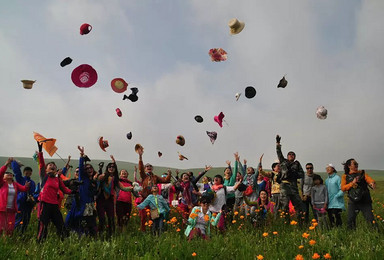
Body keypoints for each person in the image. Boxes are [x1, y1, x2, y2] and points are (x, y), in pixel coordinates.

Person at [36, 142, 75, 242]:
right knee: (43, 224)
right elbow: (41, 164)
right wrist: (40, 152)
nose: (52, 166)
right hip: (44, 204)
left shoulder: (57, 179)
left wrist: (73, 191)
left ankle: (64, 242)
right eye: (50, 165)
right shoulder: (44, 176)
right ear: (46, 168)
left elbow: (65, 190)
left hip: (54, 205)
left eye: (54, 165)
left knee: (60, 224)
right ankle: (40, 243)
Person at [96, 155, 133, 237]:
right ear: (107, 168)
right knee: (102, 218)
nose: (111, 168)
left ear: (115, 169)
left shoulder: (115, 179)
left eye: (113, 167)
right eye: (109, 166)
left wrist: (132, 188)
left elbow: (124, 188)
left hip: (110, 200)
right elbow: (96, 180)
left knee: (111, 218)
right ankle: (100, 234)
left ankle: (110, 235)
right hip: (101, 199)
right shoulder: (103, 176)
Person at [137, 146, 172, 231]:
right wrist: (140, 157)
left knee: (153, 216)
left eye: (150, 166)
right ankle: (143, 232)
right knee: (143, 216)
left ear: (152, 168)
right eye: (147, 167)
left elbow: (166, 180)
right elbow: (140, 169)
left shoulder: (155, 177)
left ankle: (153, 232)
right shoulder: (144, 176)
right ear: (145, 169)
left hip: (153, 199)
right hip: (144, 198)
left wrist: (169, 174)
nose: (149, 167)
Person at [275, 135, 305, 222]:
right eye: (290, 154)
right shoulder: (283, 162)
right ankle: (286, 223)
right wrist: (278, 143)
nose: (291, 156)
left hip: (293, 185)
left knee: (298, 205)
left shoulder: (297, 164)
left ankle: (300, 223)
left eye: (293, 155)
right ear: (287, 156)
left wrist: (295, 174)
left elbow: (302, 174)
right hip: (284, 185)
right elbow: (279, 153)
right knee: (284, 205)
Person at [341, 159, 376, 229]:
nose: (357, 165)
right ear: (349, 166)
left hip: (364, 200)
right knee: (350, 220)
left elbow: (369, 180)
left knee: (370, 219)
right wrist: (352, 183)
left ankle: (376, 233)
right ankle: (351, 236)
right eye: (355, 164)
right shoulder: (345, 176)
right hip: (353, 201)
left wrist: (372, 183)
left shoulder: (362, 173)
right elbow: (343, 188)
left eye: (357, 164)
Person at [0, 158, 30, 235]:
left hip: (11, 209)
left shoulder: (15, 185)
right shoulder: (2, 184)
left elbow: (23, 189)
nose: (10, 174)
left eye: (11, 173)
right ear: (3, 177)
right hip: (2, 209)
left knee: (10, 227)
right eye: (7, 173)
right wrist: (6, 165)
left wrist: (26, 186)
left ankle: (7, 240)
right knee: (1, 226)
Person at [11, 160, 37, 233]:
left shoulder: (32, 183)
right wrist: (14, 162)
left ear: (31, 173)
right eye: (26, 171)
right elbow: (16, 172)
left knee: (26, 219)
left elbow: (34, 192)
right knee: (18, 218)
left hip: (28, 204)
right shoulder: (20, 179)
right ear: (24, 172)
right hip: (21, 202)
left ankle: (22, 233)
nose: (28, 173)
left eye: (30, 172)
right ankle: (14, 233)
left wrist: (33, 200)